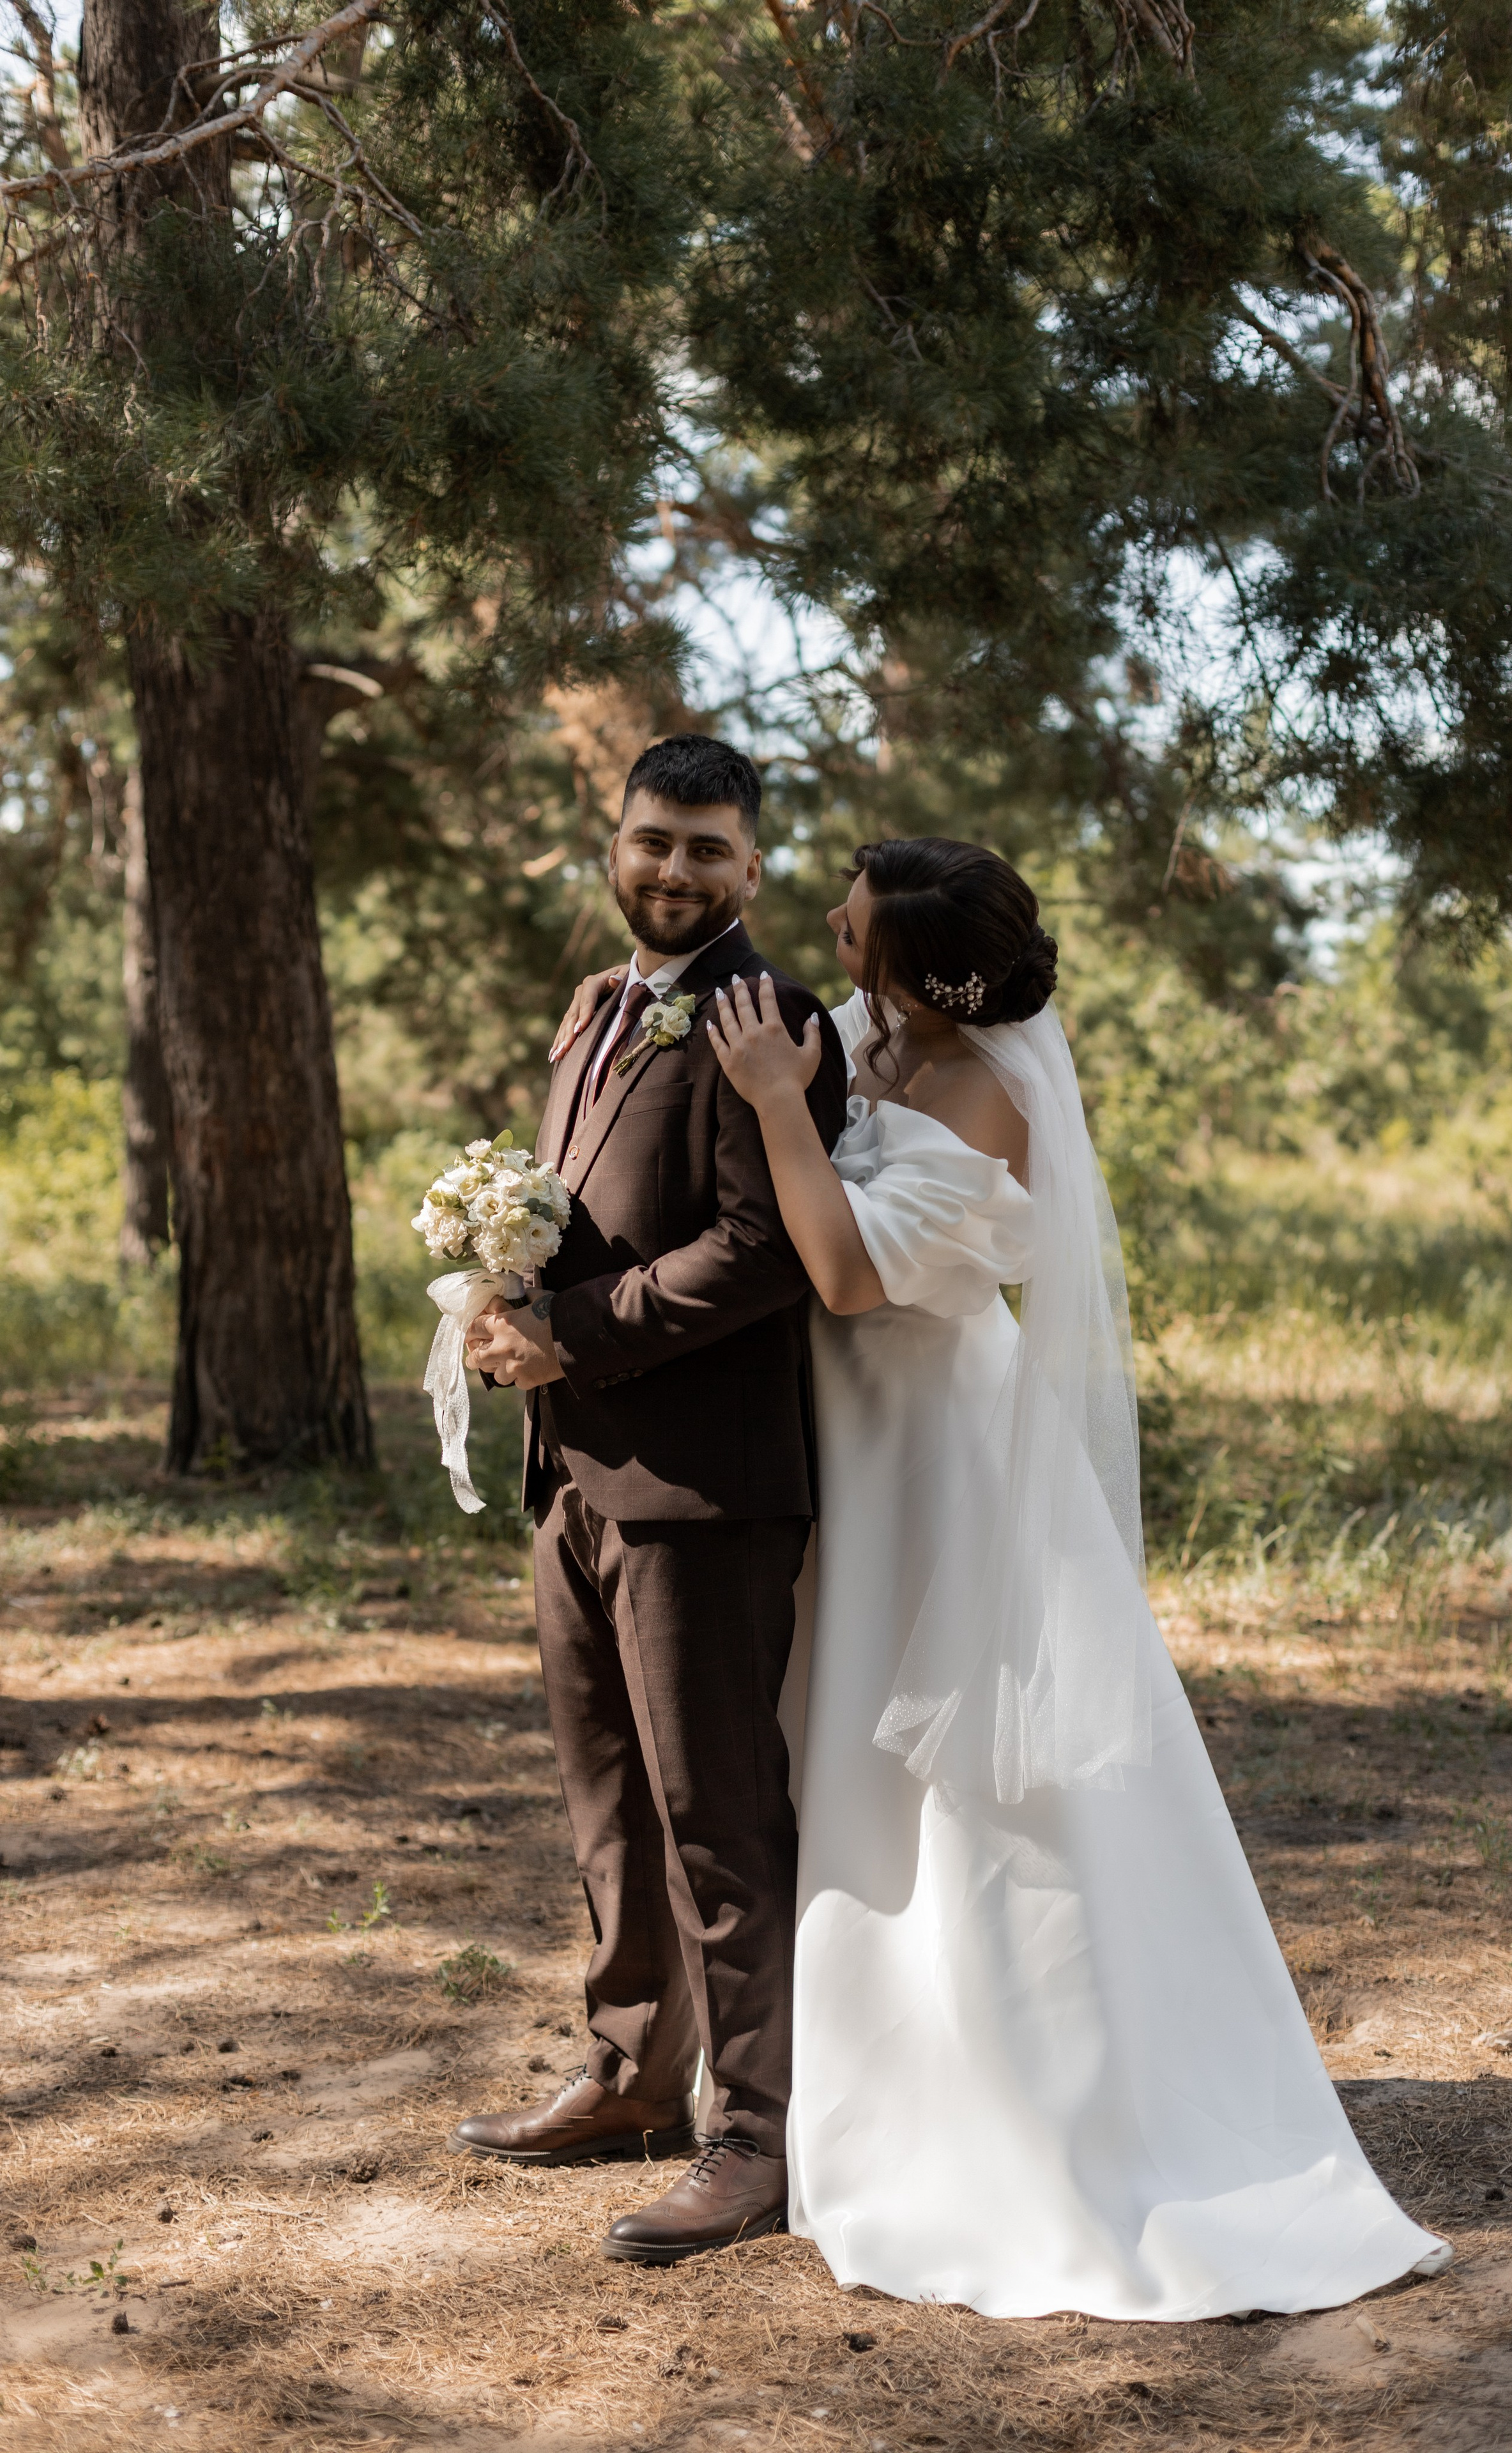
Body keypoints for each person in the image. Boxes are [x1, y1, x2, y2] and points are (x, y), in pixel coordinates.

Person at [691, 834, 1451, 2319]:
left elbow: (848, 1274)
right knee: (831, 1742)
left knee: (972, 1782)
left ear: (892, 954)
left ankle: (1017, 2099)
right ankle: (827, 2072)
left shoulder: (992, 1092)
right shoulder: (866, 1036)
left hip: (937, 1454)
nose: (827, 914)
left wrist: (781, 1110)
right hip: (838, 1445)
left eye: (848, 907)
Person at [450, 733, 848, 2268]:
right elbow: (573, 1213)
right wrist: (504, 1318)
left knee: (718, 1821)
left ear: (752, 867)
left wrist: (576, 1332)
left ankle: (754, 2135)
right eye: (651, 842)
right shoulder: (596, 1013)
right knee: (609, 1806)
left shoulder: (771, 1015)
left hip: (704, 1489)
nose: (674, 870)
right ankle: (629, 2077)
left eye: (705, 849)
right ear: (610, 847)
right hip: (574, 1472)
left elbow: (766, 1249)